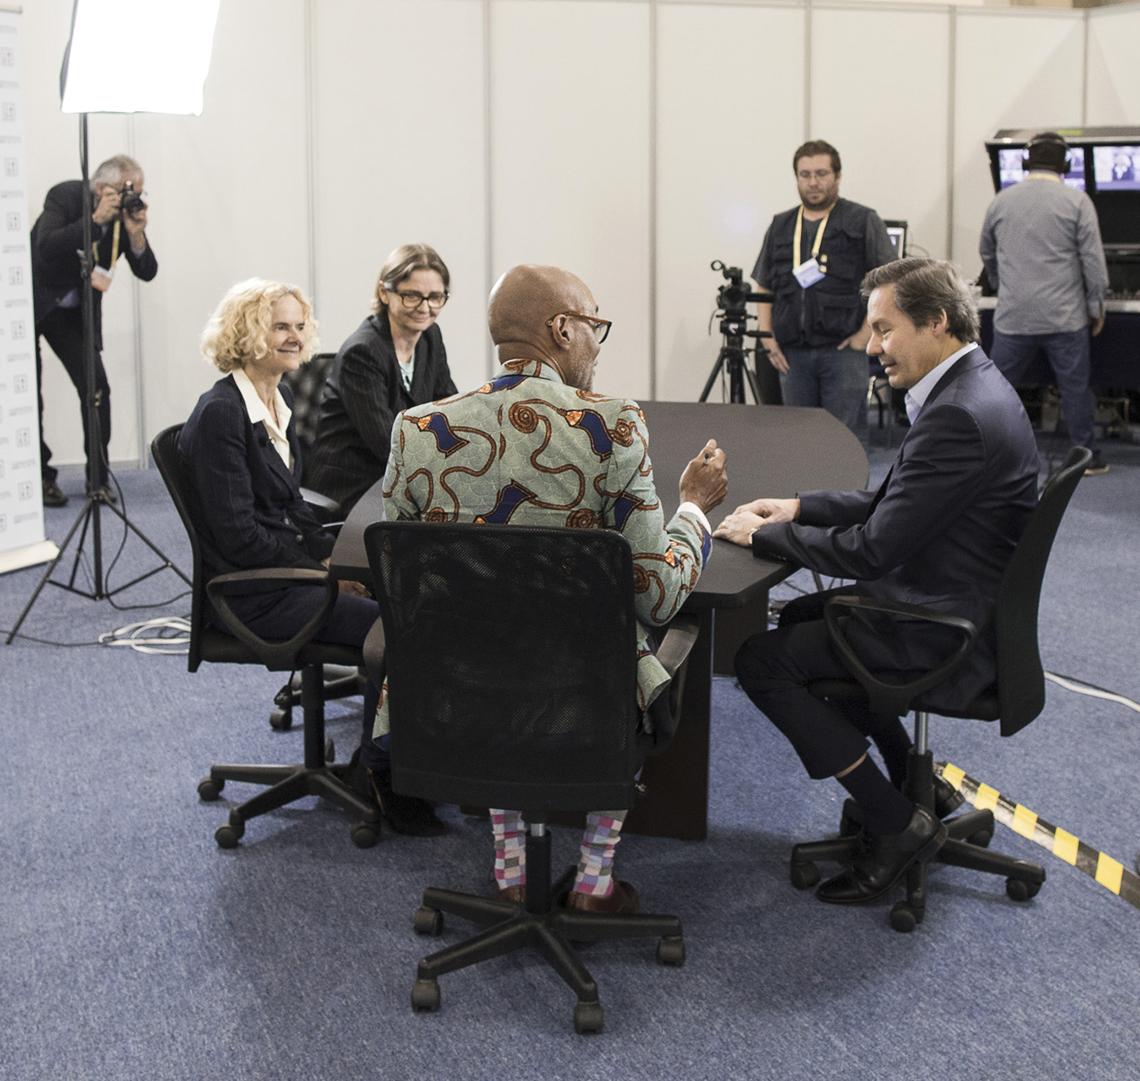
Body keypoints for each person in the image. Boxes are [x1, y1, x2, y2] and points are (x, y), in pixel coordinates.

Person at [379, 264, 729, 913]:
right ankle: (594, 880)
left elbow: (406, 580)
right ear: (563, 329)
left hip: (456, 693)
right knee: (637, 644)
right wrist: (695, 511)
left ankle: (511, 869)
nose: (598, 343)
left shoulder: (417, 429)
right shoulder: (613, 424)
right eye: (596, 325)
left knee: (495, 639)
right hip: (582, 699)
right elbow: (657, 594)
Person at [716, 258, 1038, 906]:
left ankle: (896, 824)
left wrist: (762, 536)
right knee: (803, 619)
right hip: (960, 600)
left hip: (940, 625)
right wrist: (798, 508)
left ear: (936, 321)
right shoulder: (975, 384)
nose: (872, 346)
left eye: (885, 329)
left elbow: (872, 549)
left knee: (762, 662)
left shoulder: (958, 414)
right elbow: (894, 500)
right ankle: (918, 785)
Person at [178, 278, 443, 837]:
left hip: (287, 575)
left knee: (404, 598)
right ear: (246, 333)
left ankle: (405, 760)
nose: (295, 337)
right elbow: (239, 537)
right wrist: (322, 571)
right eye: (280, 326)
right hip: (255, 592)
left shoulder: (274, 400)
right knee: (401, 631)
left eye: (299, 326)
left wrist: (338, 564)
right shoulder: (222, 414)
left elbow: (290, 510)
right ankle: (379, 774)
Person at [980, 131, 1110, 477]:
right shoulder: (1077, 202)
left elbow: (987, 252)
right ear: (1065, 164)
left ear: (1026, 162)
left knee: (996, 389)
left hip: (1013, 318)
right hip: (1066, 319)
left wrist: (1002, 284)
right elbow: (1093, 263)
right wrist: (1096, 306)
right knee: (1075, 390)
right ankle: (1087, 458)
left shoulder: (1001, 202)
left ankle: (987, 451)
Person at [31, 155, 158, 506]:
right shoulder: (65, 196)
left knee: (96, 389)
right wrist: (94, 220)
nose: (133, 198)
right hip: (34, 304)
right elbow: (47, 247)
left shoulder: (122, 219)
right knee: (29, 396)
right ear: (102, 187)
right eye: (127, 190)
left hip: (74, 314)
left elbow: (147, 270)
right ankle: (41, 477)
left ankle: (98, 481)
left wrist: (136, 234)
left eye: (138, 192)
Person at [751, 139, 896, 439]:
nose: (813, 182)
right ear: (796, 178)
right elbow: (764, 283)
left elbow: (889, 280)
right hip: (792, 355)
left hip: (843, 352)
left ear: (837, 176)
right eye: (805, 175)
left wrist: (866, 335)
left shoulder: (862, 220)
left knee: (845, 440)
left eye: (821, 174)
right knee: (797, 439)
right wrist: (767, 338)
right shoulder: (781, 225)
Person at [306, 244, 457, 513]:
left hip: (398, 476)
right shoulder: (362, 352)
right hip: (353, 484)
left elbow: (449, 410)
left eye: (435, 297)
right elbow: (387, 443)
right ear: (384, 293)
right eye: (412, 296)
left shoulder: (430, 337)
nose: (425, 307)